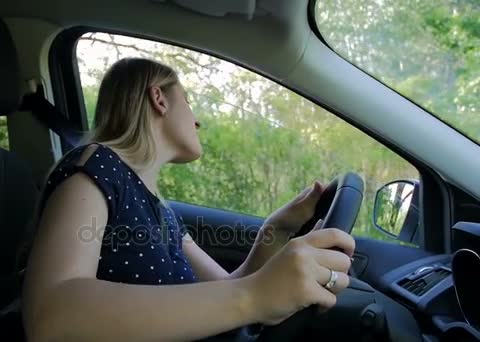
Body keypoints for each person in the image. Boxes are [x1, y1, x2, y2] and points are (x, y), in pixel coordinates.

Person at [21, 57, 355, 342]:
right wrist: (254, 296)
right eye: (189, 101)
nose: (198, 120)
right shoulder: (96, 164)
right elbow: (52, 312)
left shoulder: (161, 209)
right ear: (159, 99)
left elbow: (229, 287)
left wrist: (278, 227)